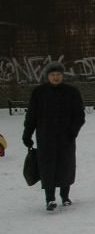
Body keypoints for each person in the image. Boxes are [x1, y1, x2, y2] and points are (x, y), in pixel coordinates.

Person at [22, 61, 86, 210]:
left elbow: (79, 116)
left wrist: (73, 132)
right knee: (47, 168)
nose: (55, 77)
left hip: (66, 138)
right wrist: (27, 134)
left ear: (62, 76)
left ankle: (65, 196)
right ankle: (50, 199)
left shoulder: (71, 92)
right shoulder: (39, 93)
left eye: (58, 74)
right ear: (47, 76)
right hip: (45, 139)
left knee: (66, 166)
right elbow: (31, 116)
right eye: (52, 75)